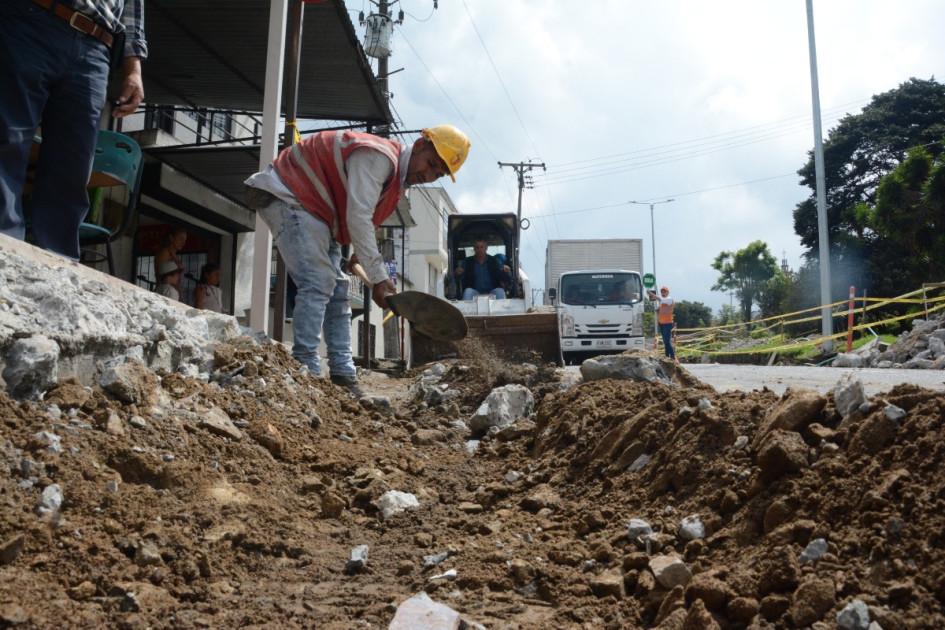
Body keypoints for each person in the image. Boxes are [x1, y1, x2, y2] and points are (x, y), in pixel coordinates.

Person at [244, 125, 470, 397]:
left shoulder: (398, 181)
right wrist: (378, 277)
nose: (429, 175)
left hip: (316, 210)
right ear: (421, 145)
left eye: (438, 174)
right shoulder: (379, 157)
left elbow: (363, 218)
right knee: (318, 281)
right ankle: (305, 369)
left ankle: (342, 373)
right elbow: (359, 217)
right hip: (288, 193)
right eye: (431, 163)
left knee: (338, 288)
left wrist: (359, 257)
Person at [0, 0, 147, 260]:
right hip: (29, 18)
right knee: (8, 138)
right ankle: (4, 247)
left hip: (97, 45)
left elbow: (134, 5)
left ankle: (57, 262)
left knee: (73, 164)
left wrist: (133, 69)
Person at [154, 227, 187, 302]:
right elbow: (161, 274)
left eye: (184, 240)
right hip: (167, 292)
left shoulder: (175, 255)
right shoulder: (165, 253)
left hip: (175, 291)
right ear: (171, 238)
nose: (183, 243)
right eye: (181, 239)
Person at [647, 285, 677, 363]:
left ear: (668, 292)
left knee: (667, 342)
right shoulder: (662, 302)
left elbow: (660, 299)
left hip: (667, 323)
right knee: (665, 342)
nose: (663, 293)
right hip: (662, 323)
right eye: (662, 292)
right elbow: (662, 310)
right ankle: (667, 357)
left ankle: (673, 357)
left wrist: (651, 294)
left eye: (664, 292)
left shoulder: (669, 299)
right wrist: (658, 310)